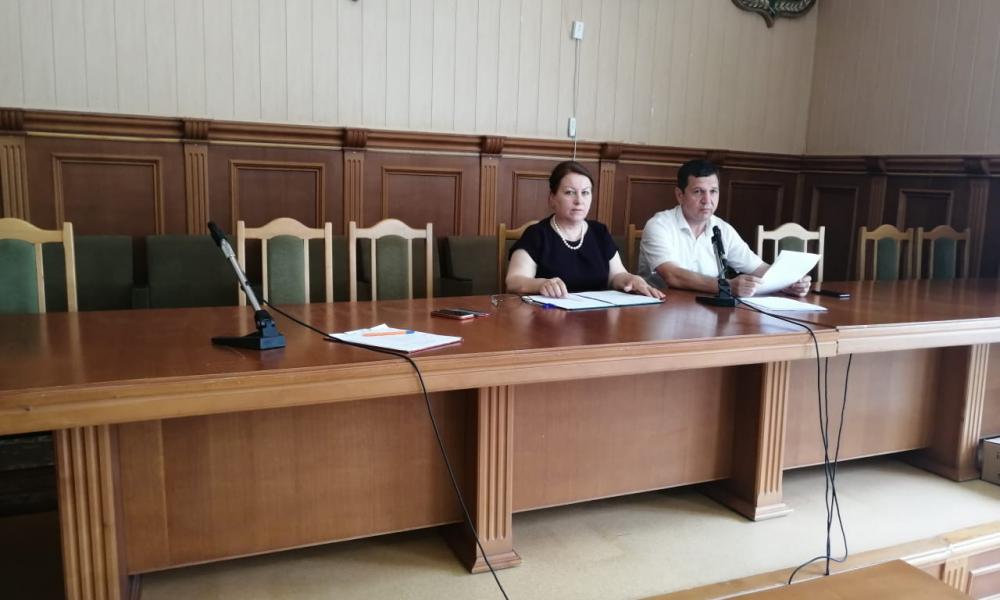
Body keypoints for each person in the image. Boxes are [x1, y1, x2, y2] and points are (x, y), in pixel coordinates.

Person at [637, 159, 810, 297]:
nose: (707, 200)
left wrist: (789, 282)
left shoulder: (722, 229)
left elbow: (758, 268)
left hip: (708, 310)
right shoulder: (659, 225)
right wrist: (726, 286)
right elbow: (673, 276)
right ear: (680, 195)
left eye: (713, 191)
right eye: (698, 192)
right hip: (662, 308)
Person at [505, 161, 664, 299]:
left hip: (597, 316)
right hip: (548, 317)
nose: (579, 201)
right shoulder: (536, 234)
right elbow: (514, 281)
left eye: (585, 193)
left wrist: (631, 279)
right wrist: (541, 284)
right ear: (552, 198)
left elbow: (616, 275)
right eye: (570, 192)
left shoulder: (599, 232)